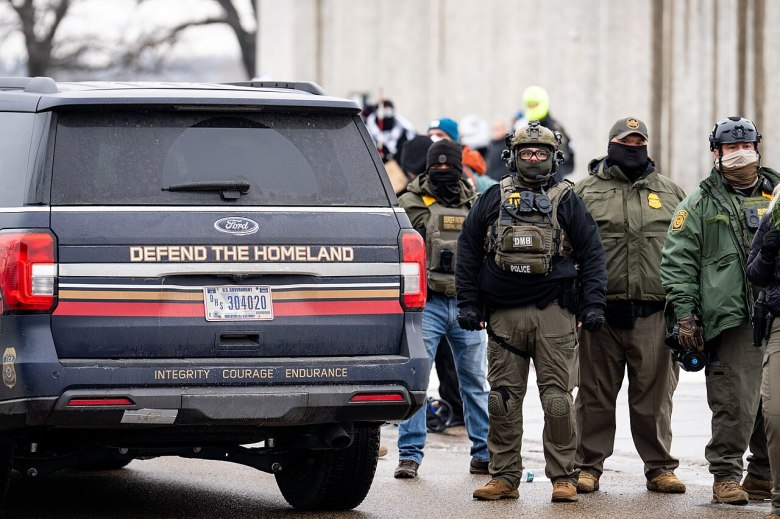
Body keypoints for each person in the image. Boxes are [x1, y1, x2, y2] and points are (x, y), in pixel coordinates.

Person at [456, 121, 607, 503]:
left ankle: (564, 476)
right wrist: (467, 303)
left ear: (554, 158)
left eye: (541, 153)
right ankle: (504, 476)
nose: (534, 159)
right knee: (502, 399)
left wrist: (593, 304)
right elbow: (469, 251)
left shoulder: (568, 200)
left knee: (558, 401)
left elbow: (592, 255)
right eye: (527, 153)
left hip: (555, 313)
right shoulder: (492, 197)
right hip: (503, 316)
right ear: (513, 156)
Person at [660, 116, 776, 505]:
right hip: (732, 319)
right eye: (730, 148)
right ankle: (726, 475)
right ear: (716, 153)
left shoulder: (777, 196)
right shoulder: (698, 204)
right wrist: (686, 314)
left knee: (771, 402)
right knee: (735, 402)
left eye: (746, 146)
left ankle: (763, 476)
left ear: (758, 148)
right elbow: (677, 262)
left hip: (774, 314)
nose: (740, 154)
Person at [574, 117, 687, 495]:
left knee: (654, 400)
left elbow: (688, 252)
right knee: (594, 396)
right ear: (611, 146)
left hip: (654, 315)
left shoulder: (671, 192)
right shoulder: (585, 192)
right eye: (626, 142)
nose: (634, 148)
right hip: (599, 315)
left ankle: (659, 467)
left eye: (640, 143)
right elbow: (568, 251)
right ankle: (587, 466)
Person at [394, 139, 490, 479]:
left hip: (466, 306)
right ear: (429, 168)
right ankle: (409, 455)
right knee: (417, 380)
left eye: (452, 165)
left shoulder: (476, 203)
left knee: (475, 383)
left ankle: (484, 453)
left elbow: (487, 252)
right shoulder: (410, 203)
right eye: (440, 166)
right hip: (427, 306)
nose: (446, 171)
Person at [746, 185, 780, 519]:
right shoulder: (776, 214)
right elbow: (754, 273)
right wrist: (768, 252)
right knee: (775, 413)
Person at [428, 117, 496, 193]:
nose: (433, 138)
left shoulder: (469, 163)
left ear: (454, 138)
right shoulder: (420, 163)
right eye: (430, 135)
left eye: (440, 135)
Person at [520, 86, 575, 180]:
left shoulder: (555, 128)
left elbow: (566, 157)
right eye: (530, 105)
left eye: (535, 105)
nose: (532, 108)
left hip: (552, 180)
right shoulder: (522, 127)